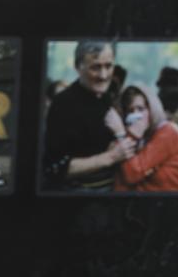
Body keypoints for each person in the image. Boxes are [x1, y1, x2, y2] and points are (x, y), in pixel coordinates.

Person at [42, 41, 133, 191]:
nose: (103, 76)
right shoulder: (63, 104)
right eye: (95, 67)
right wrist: (111, 157)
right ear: (78, 67)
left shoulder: (106, 96)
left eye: (108, 66)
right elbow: (54, 168)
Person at [112, 85, 178, 193]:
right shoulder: (140, 136)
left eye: (141, 109)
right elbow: (120, 182)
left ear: (152, 108)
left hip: (171, 203)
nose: (136, 115)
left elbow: (132, 174)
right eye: (130, 111)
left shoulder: (168, 131)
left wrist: (125, 136)